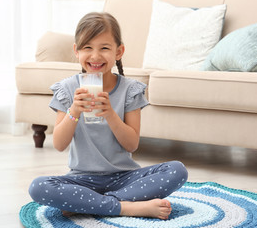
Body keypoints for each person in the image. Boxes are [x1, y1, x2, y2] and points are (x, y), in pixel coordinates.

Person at [28, 12, 188, 220]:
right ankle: (126, 207)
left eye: (104, 48)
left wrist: (110, 114)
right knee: (39, 187)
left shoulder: (130, 90)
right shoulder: (67, 89)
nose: (95, 56)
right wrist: (74, 110)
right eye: (87, 48)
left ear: (118, 52)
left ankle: (89, 204)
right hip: (82, 179)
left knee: (177, 170)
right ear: (76, 51)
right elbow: (59, 144)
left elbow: (131, 145)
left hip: (124, 177)